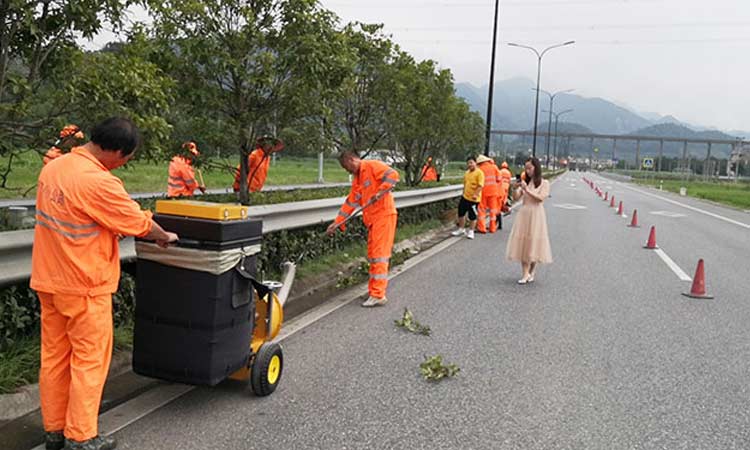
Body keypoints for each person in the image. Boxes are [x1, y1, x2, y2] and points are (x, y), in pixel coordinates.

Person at [31, 117, 179, 450]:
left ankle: (54, 430)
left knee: (54, 358)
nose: (124, 165)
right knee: (88, 361)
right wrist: (163, 235)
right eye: (126, 158)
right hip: (84, 285)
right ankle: (81, 436)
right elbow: (137, 221)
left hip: (48, 281)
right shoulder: (98, 182)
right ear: (115, 151)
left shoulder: (54, 168)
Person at [326, 151, 399, 307]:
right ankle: (374, 290)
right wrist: (337, 223)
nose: (347, 171)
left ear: (353, 159)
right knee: (373, 256)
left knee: (380, 255)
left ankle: (378, 295)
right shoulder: (358, 178)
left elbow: (393, 175)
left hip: (384, 216)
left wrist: (380, 191)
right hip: (373, 220)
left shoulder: (372, 166)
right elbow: (351, 203)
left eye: (347, 167)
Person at [505, 156, 552, 284]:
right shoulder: (526, 182)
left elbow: (540, 198)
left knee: (534, 242)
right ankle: (525, 273)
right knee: (524, 243)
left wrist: (527, 190)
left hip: (537, 214)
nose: (527, 171)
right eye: (526, 168)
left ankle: (532, 272)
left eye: (530, 168)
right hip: (524, 214)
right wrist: (515, 188)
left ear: (536, 168)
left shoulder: (544, 183)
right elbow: (516, 198)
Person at [451, 155, 484, 239]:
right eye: (468, 163)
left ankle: (471, 231)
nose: (470, 165)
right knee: (461, 213)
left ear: (475, 163)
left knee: (472, 215)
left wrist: (475, 194)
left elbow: (480, 185)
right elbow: (465, 184)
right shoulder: (467, 173)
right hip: (465, 197)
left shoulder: (479, 173)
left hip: (474, 200)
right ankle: (461, 228)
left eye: (471, 162)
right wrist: (463, 193)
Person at [476, 155, 501, 234]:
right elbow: (499, 179)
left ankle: (482, 228)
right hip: (493, 191)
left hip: (483, 192)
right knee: (493, 210)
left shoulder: (479, 169)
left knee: (481, 210)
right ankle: (492, 228)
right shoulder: (494, 167)